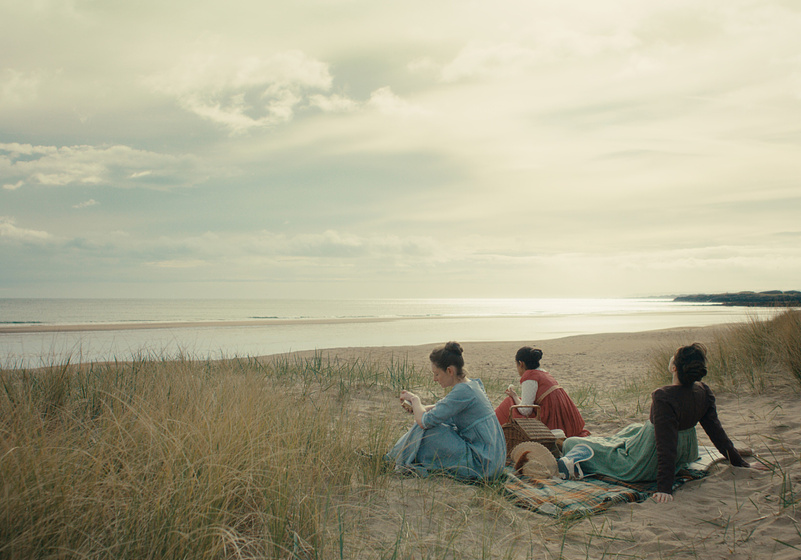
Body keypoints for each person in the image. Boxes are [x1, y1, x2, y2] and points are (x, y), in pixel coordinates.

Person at [558, 343, 767, 502]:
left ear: (674, 367)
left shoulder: (664, 396)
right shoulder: (703, 391)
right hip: (685, 453)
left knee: (570, 443)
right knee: (633, 428)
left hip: (646, 462)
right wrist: (740, 463)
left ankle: (583, 454)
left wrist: (664, 488)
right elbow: (717, 433)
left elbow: (665, 446)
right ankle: (612, 445)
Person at [385, 341, 507, 480]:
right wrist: (420, 409)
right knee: (436, 426)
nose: (435, 379)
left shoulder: (462, 391)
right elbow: (442, 407)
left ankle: (392, 460)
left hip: (483, 465)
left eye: (436, 374)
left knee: (428, 430)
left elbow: (424, 422)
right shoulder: (472, 385)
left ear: (450, 371)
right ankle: (393, 458)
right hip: (493, 460)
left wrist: (415, 400)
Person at [494, 346, 590, 438]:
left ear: (521, 363)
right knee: (516, 400)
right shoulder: (543, 373)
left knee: (508, 403)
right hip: (564, 418)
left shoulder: (529, 376)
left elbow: (526, 410)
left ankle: (493, 430)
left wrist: (514, 397)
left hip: (550, 419)